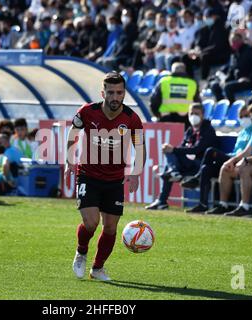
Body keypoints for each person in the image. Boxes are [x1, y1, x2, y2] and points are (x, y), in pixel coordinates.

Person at [66, 72, 145, 281]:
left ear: (124, 93)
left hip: (115, 180)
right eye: (110, 92)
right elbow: (73, 132)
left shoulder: (132, 119)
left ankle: (97, 268)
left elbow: (140, 146)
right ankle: (81, 251)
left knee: (110, 227)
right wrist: (69, 159)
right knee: (91, 223)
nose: (115, 97)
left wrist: (136, 172)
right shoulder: (87, 112)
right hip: (88, 175)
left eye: (119, 92)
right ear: (103, 93)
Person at [182, 104, 252, 213]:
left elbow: (249, 152)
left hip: (242, 161)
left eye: (246, 115)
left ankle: (197, 178)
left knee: (210, 151)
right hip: (233, 159)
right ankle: (204, 204)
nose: (244, 118)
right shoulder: (242, 133)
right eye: (241, 116)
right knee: (206, 168)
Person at [146, 103, 218, 210]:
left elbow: (197, 149)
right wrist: (172, 149)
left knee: (170, 160)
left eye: (196, 114)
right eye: (191, 113)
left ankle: (162, 199)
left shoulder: (208, 130)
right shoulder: (190, 130)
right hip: (188, 165)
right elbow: (181, 148)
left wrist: (173, 149)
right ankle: (172, 175)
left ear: (202, 115)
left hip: (200, 167)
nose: (193, 116)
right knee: (169, 160)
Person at [209, 31, 252, 103]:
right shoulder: (234, 55)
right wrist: (224, 80)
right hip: (237, 81)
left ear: (241, 40)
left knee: (228, 87)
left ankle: (231, 107)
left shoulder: (250, 50)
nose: (233, 43)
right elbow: (231, 70)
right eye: (232, 41)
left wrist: (249, 78)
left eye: (236, 40)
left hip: (250, 81)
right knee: (215, 85)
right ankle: (222, 106)